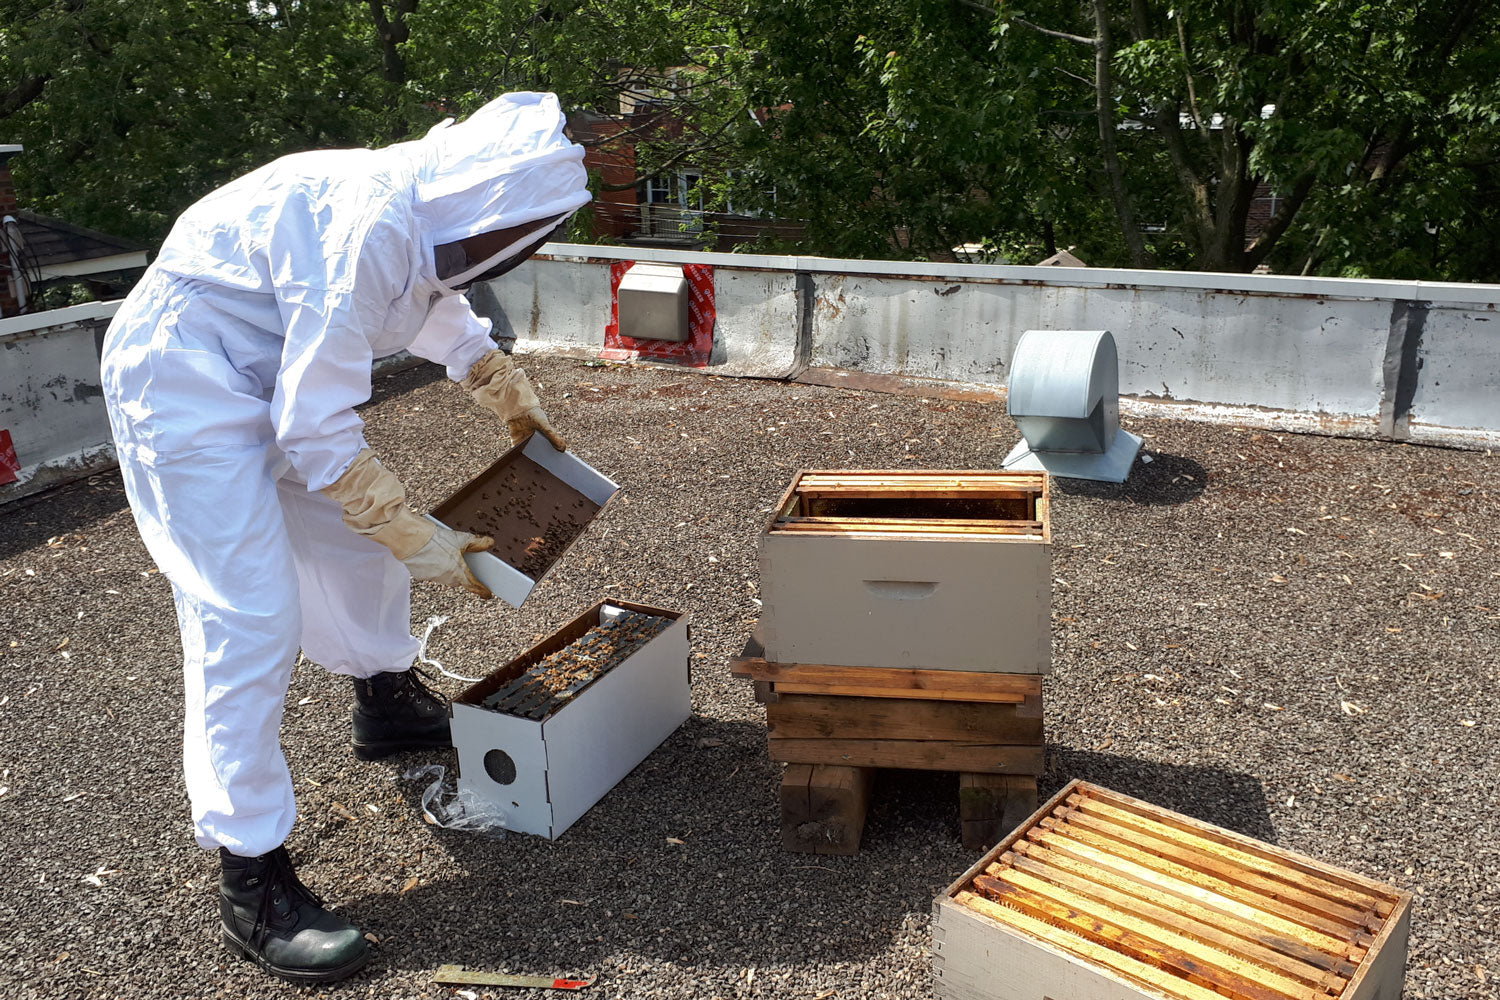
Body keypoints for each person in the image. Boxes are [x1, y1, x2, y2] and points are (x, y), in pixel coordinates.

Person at [99, 92, 591, 984]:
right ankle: (251, 874)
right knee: (245, 615)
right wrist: (417, 533)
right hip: (182, 378)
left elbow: (424, 295)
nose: (530, 250)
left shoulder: (418, 218)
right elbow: (318, 425)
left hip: (266, 360)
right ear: (486, 205)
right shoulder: (366, 225)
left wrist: (493, 378)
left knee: (351, 549)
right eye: (528, 232)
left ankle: (385, 699)